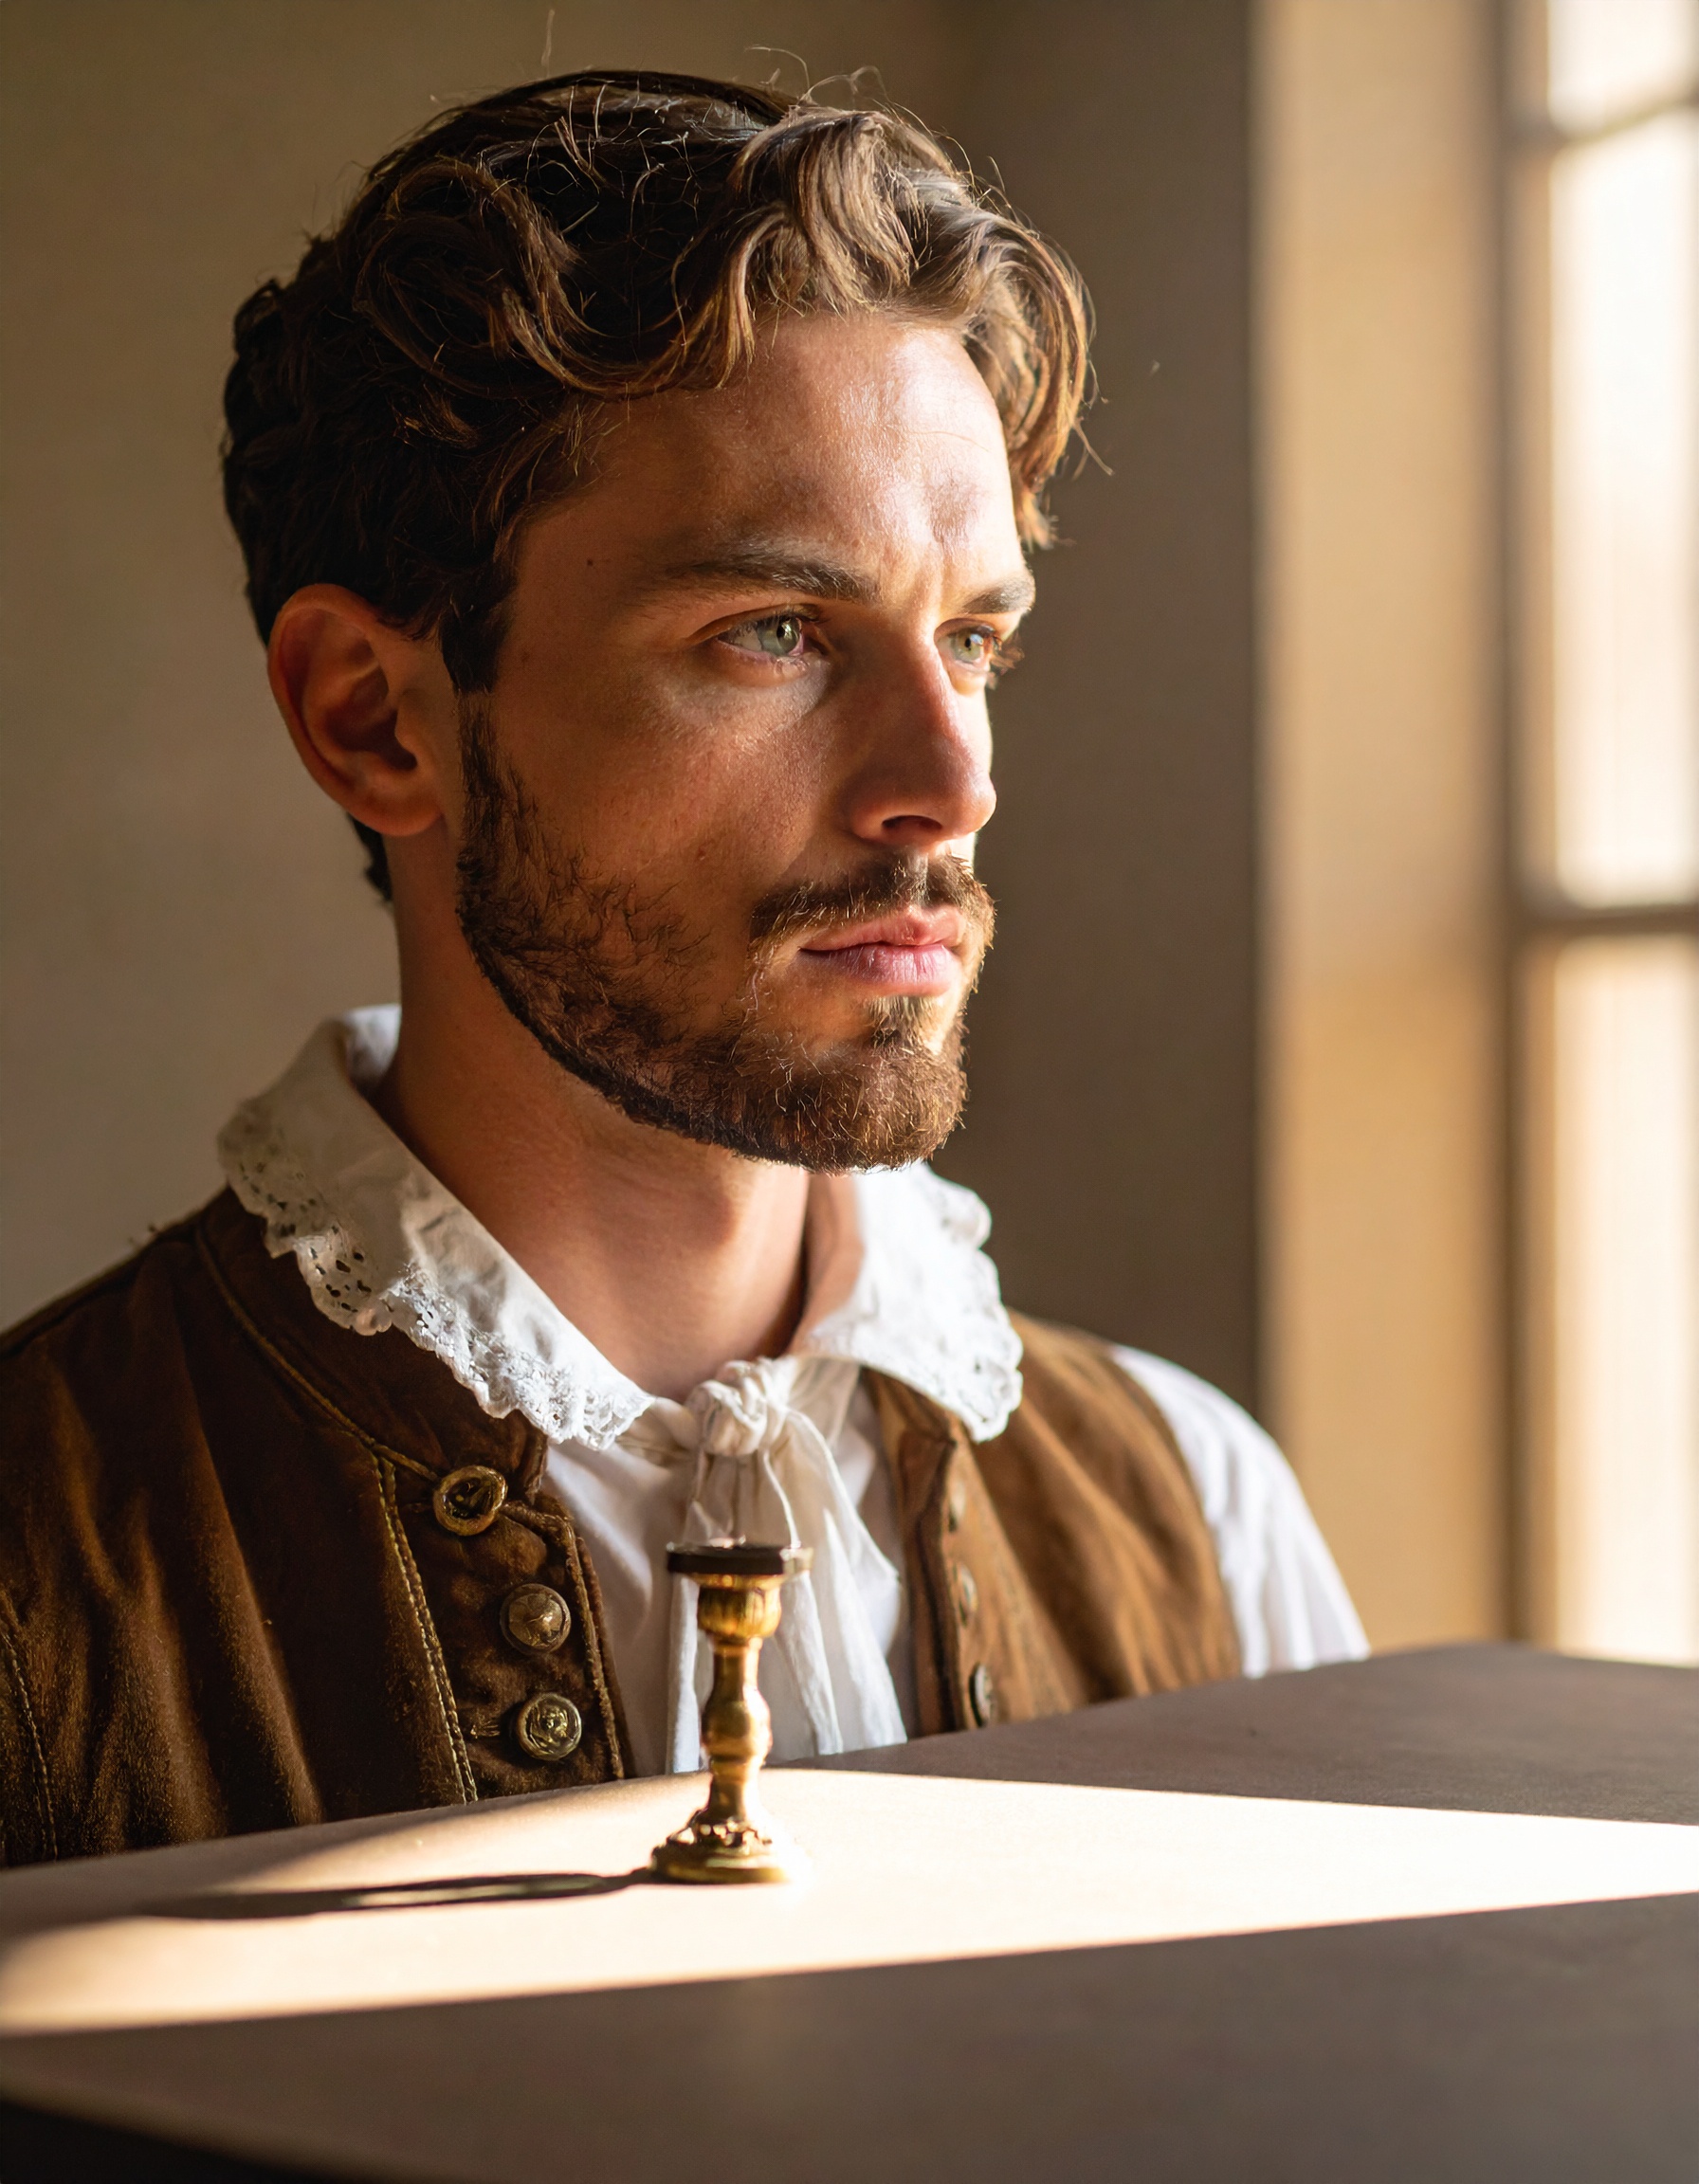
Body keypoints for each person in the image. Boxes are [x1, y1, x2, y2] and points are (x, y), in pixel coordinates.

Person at [0, 70, 1363, 1866]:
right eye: (775, 633)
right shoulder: (39, 1572)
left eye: (973, 640)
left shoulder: (1202, 1511)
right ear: (374, 720)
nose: (951, 781)